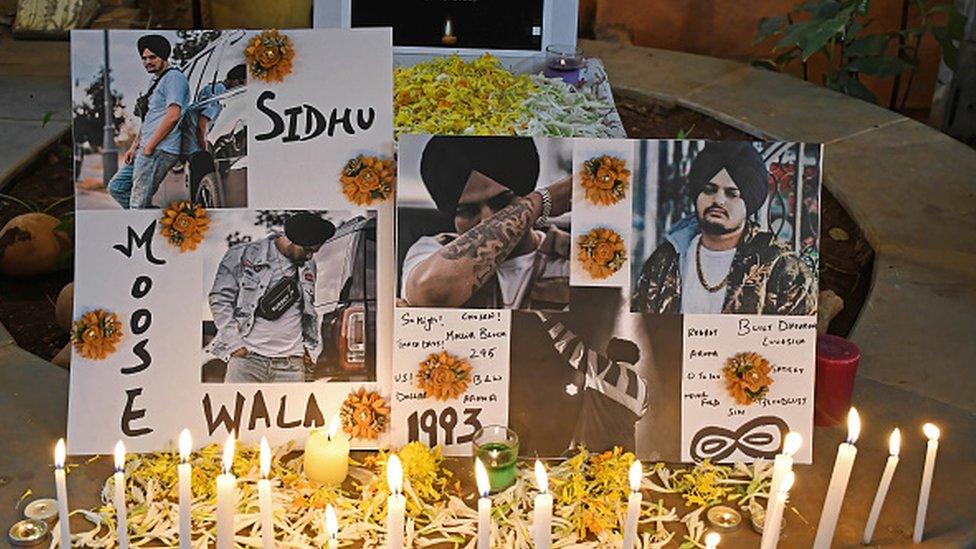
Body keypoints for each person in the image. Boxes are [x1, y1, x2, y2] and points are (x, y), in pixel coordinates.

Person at [632, 142, 817, 315]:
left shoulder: (785, 269)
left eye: (732, 194)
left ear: (749, 202)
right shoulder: (666, 258)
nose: (718, 200)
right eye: (709, 190)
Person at [400, 136, 572, 310]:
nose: (487, 221)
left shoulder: (575, 255)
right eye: (468, 211)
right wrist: (542, 200)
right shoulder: (429, 252)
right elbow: (430, 292)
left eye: (502, 203)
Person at [208, 212, 336, 383]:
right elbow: (220, 298)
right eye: (307, 250)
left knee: (292, 410)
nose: (309, 256)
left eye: (314, 252)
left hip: (291, 364)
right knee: (239, 408)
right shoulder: (243, 255)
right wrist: (234, 345)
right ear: (291, 239)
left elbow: (309, 308)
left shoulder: (308, 266)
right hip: (248, 360)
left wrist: (309, 350)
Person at [107, 34, 190, 209]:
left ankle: (145, 221)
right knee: (117, 188)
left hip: (159, 149)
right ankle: (153, 217)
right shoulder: (155, 80)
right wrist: (134, 146)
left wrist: (149, 147)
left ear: (164, 56)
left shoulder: (173, 78)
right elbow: (150, 119)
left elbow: (173, 116)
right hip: (146, 149)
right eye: (144, 58)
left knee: (138, 205)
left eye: (152, 57)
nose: (147, 62)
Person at [186, 64, 247, 153]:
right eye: (241, 83)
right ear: (234, 79)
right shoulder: (218, 91)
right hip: (194, 147)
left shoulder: (212, 88)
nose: (240, 88)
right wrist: (205, 150)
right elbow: (202, 124)